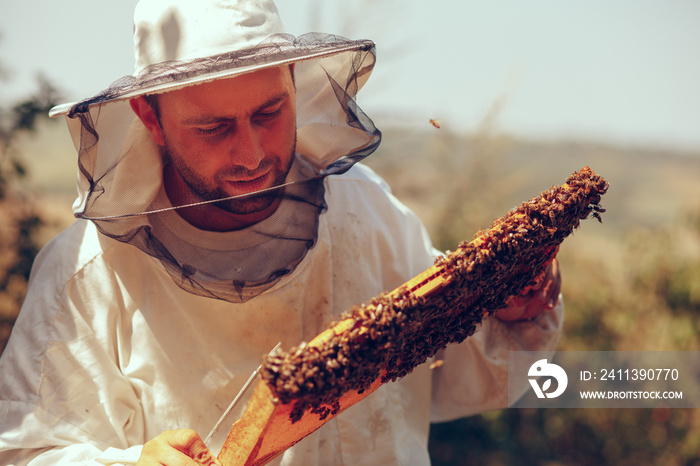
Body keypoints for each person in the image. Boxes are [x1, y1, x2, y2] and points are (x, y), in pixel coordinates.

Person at [0, 1, 563, 465]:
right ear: (151, 118)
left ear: (294, 82)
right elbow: (28, 451)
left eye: (269, 113)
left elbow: (453, 373)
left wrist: (507, 313)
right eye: (213, 127)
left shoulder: (363, 207)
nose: (252, 154)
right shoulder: (87, 274)